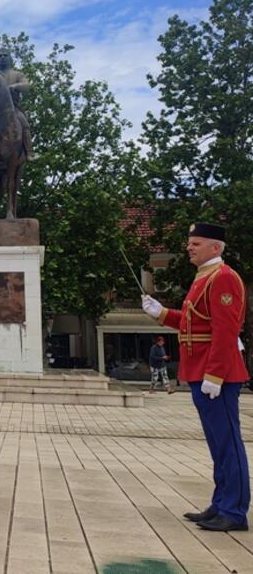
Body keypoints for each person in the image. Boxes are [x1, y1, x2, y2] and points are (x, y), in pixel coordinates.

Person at [142, 222, 248, 532]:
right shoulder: (204, 277)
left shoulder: (223, 278)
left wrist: (215, 374)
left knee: (228, 443)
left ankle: (234, 511)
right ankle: (221, 503)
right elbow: (193, 324)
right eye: (190, 243)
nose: (189, 247)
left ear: (216, 247)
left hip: (217, 373)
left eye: (197, 243)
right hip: (201, 370)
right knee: (217, 444)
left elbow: (225, 331)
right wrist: (161, 313)